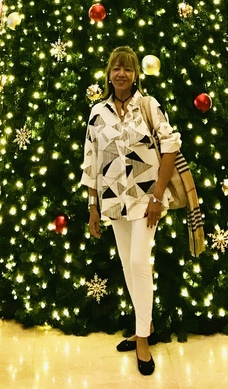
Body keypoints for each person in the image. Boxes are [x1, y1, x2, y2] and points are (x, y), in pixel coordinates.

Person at [81, 46, 180, 376]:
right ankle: (144, 323)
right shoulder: (98, 113)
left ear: (136, 74)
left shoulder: (149, 106)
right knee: (127, 264)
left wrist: (157, 196)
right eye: (115, 68)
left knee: (139, 261)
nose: (121, 74)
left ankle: (142, 339)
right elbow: (91, 163)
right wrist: (93, 207)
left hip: (144, 201)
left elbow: (170, 148)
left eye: (127, 68)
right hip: (112, 202)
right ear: (108, 73)